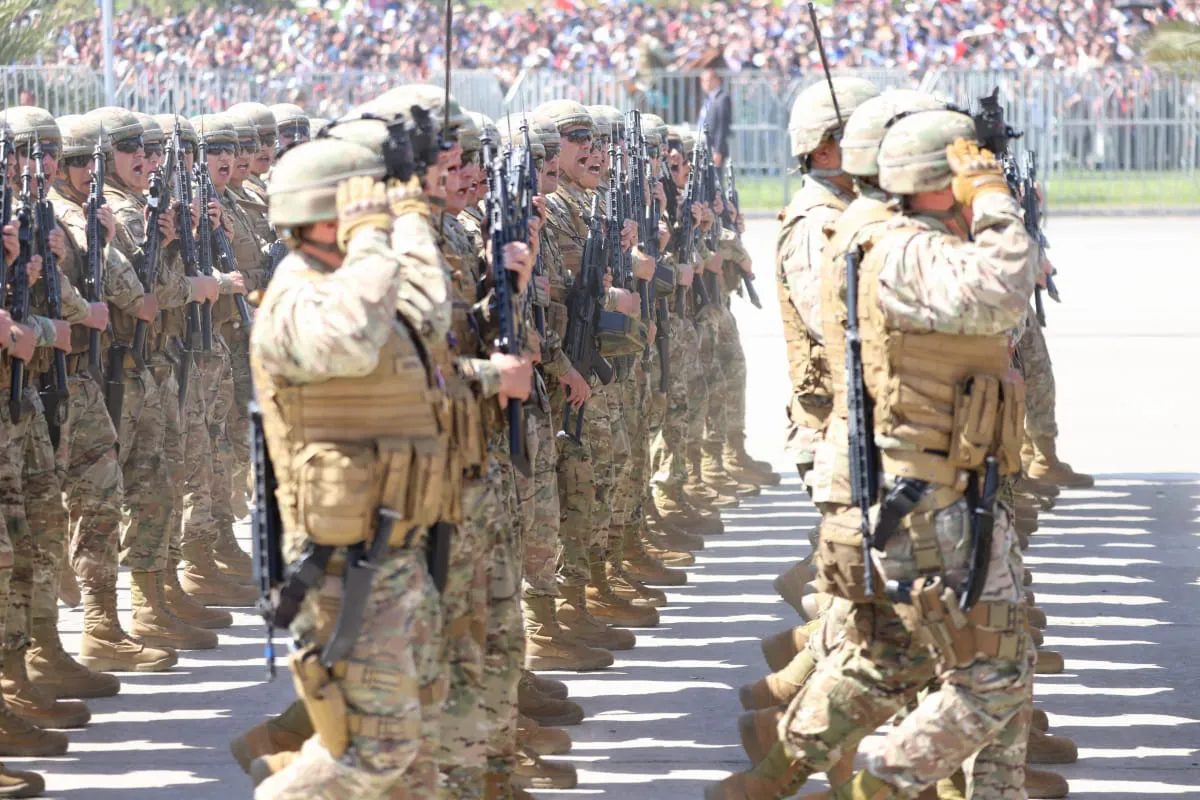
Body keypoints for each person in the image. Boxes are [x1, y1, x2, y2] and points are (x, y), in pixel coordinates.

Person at [250, 138, 447, 800]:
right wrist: (369, 241)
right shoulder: (295, 299)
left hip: (391, 546)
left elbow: (426, 314)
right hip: (339, 567)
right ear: (327, 219)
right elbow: (353, 341)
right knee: (372, 750)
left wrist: (409, 222)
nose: (378, 220)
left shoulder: (352, 284)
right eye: (365, 208)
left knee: (417, 750)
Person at [698, 68, 732, 168]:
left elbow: (722, 126)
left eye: (708, 80)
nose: (705, 84)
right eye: (703, 81)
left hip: (714, 148)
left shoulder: (722, 98)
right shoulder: (708, 99)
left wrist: (718, 150)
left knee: (716, 176)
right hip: (705, 146)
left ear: (717, 81)